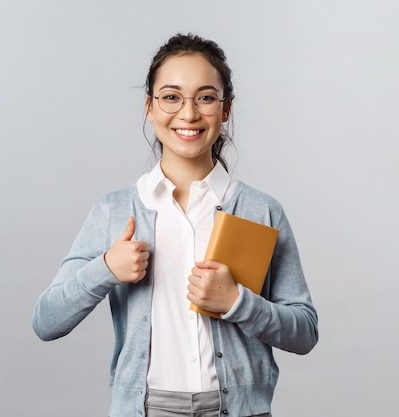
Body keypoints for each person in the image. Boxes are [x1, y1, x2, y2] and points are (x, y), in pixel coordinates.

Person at [33, 33, 318, 417]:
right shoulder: (114, 211)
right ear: (149, 107)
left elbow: (304, 332)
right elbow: (46, 321)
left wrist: (237, 303)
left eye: (205, 97)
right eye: (171, 97)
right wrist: (105, 269)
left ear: (226, 108)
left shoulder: (259, 210)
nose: (188, 114)